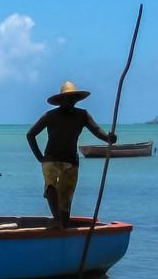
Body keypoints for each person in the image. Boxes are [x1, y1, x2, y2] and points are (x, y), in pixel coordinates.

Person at [26, 81, 116, 228]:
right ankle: (57, 221)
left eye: (73, 98)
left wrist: (108, 138)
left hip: (71, 161)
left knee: (66, 197)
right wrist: (40, 158)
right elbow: (30, 134)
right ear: (61, 100)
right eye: (67, 98)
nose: (70, 101)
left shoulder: (82, 115)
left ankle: (64, 226)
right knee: (51, 187)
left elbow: (97, 130)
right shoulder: (50, 116)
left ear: (76, 99)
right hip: (51, 159)